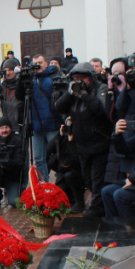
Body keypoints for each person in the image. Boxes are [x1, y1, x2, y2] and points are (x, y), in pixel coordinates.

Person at [55, 62, 112, 217]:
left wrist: (84, 95)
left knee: (97, 179)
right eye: (76, 78)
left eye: (83, 78)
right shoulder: (73, 93)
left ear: (91, 78)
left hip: (99, 142)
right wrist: (70, 92)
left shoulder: (101, 89)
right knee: (87, 179)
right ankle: (101, 204)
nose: (79, 81)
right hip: (81, 144)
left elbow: (101, 111)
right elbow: (59, 107)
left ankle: (97, 209)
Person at [28, 54, 62, 182]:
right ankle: (43, 185)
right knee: (39, 159)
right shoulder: (31, 80)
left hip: (52, 125)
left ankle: (60, 184)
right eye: (35, 63)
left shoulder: (53, 78)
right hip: (36, 126)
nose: (38, 65)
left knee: (57, 157)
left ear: (46, 63)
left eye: (40, 62)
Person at [47, 118, 85, 212]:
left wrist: (71, 141)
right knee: (59, 197)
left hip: (76, 173)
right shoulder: (62, 137)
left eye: (72, 124)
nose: (70, 127)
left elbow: (77, 159)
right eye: (68, 124)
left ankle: (79, 203)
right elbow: (48, 149)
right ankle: (71, 200)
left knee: (70, 176)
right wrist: (59, 135)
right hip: (62, 173)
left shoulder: (80, 136)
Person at [0, 118, 24, 208]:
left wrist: (7, 162)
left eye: (7, 128)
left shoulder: (18, 141)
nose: (4, 130)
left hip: (12, 176)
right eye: (2, 128)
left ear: (11, 129)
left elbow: (20, 162)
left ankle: (13, 191)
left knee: (14, 203)